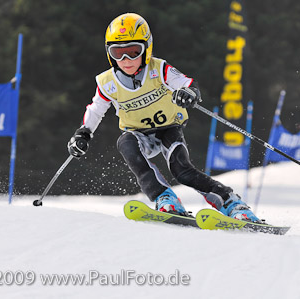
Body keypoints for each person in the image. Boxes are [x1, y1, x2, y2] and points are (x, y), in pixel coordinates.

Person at [67, 13, 261, 222]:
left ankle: (232, 203)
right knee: (125, 143)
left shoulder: (159, 69)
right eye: (118, 53)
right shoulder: (107, 82)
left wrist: (189, 93)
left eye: (133, 51)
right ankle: (164, 197)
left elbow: (187, 83)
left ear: (146, 48)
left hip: (168, 129)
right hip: (139, 135)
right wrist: (83, 133)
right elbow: (96, 109)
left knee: (182, 171)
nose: (126, 60)